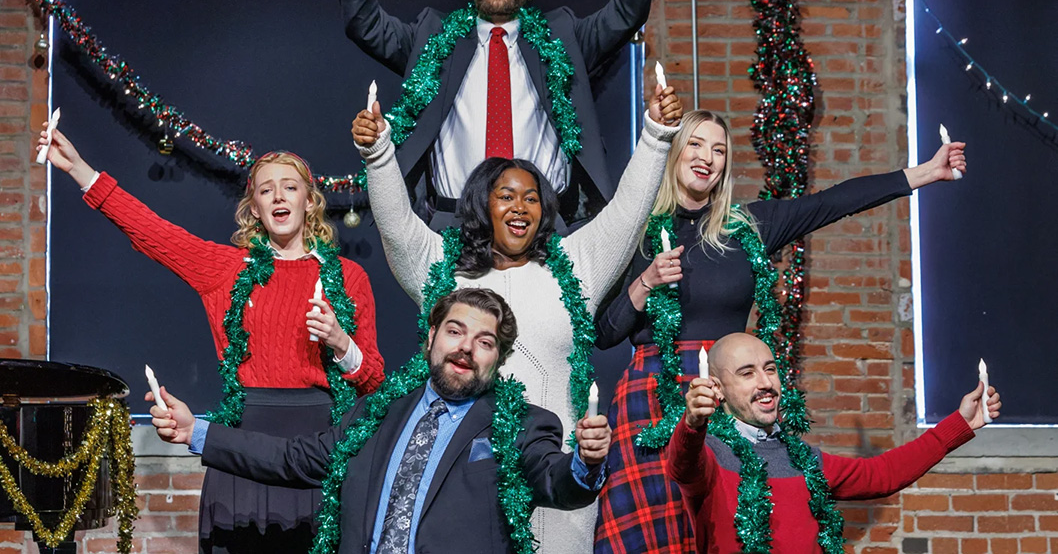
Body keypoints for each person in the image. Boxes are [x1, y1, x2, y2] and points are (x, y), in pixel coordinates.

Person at [593, 109, 968, 554]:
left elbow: (831, 202)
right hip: (650, 400)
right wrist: (645, 282)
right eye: (695, 144)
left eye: (719, 150)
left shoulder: (747, 226)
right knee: (649, 538)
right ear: (673, 151)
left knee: (727, 532)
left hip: (726, 392)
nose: (707, 158)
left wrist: (924, 172)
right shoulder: (632, 230)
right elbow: (604, 332)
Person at [351, 85, 681, 551]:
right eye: (507, 195)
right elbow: (397, 225)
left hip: (555, 479)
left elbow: (628, 213)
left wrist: (656, 135)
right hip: (463, 484)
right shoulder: (442, 271)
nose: (520, 207)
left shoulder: (575, 266)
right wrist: (378, 153)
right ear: (483, 203)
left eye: (532, 198)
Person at [37, 125, 384, 554]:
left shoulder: (348, 277)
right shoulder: (226, 269)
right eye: (266, 190)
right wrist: (81, 170)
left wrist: (340, 343)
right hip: (239, 449)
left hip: (318, 452)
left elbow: (374, 386)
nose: (278, 196)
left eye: (289, 187)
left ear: (308, 201)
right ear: (254, 208)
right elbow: (154, 232)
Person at [148, 288, 613, 554]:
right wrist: (197, 432)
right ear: (431, 336)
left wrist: (586, 464)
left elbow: (557, 481)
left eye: (484, 341)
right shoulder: (380, 411)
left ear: (500, 358)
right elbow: (294, 458)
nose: (466, 347)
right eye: (455, 331)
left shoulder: (522, 424)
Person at [338, 0, 661, 228]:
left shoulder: (563, 36)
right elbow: (365, 24)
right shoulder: (433, 37)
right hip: (455, 224)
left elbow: (624, 15)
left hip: (542, 225)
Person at [667, 332, 1001, 553]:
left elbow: (881, 475)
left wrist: (960, 424)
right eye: (747, 373)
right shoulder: (711, 452)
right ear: (718, 388)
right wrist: (693, 423)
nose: (766, 382)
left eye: (770, 369)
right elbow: (682, 464)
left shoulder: (805, 460)